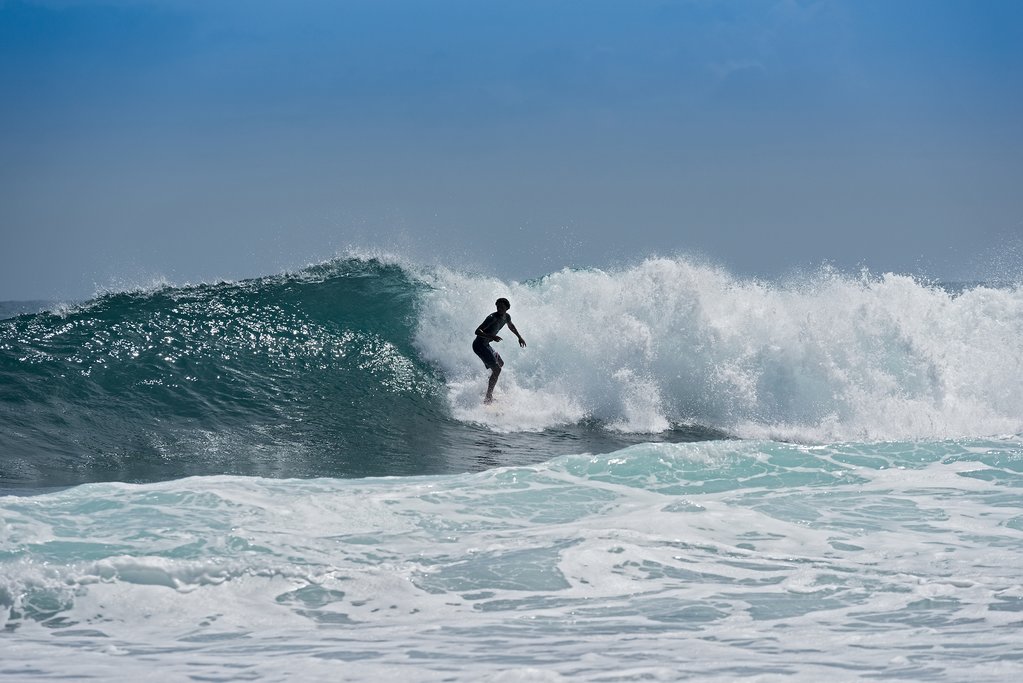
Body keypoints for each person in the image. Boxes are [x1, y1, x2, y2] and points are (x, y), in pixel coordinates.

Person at [473, 297, 526, 403]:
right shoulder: (492, 317)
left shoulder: (506, 317)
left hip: (486, 345)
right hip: (479, 345)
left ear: (507, 308)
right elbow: (477, 331)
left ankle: (490, 382)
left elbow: (511, 326)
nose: (499, 309)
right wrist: (492, 337)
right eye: (498, 306)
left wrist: (519, 337)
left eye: (502, 307)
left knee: (500, 363)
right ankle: (488, 397)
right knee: (497, 370)